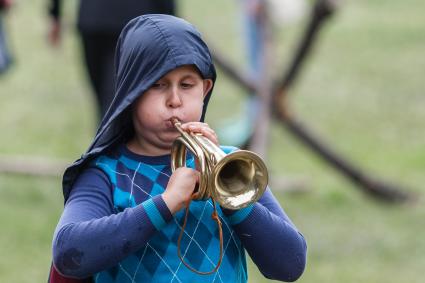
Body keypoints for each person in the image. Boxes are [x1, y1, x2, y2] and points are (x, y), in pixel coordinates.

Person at [50, 14, 307, 282]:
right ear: (131, 92)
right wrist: (166, 203)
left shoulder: (231, 166)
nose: (174, 100)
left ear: (205, 89)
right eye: (158, 85)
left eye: (187, 85)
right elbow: (68, 253)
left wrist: (231, 194)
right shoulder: (106, 174)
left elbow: (290, 265)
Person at [47, 0, 176, 120]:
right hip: (134, 20)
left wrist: (55, 13)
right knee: (117, 101)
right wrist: (170, 25)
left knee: (110, 100)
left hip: (95, 18)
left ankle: (107, 139)